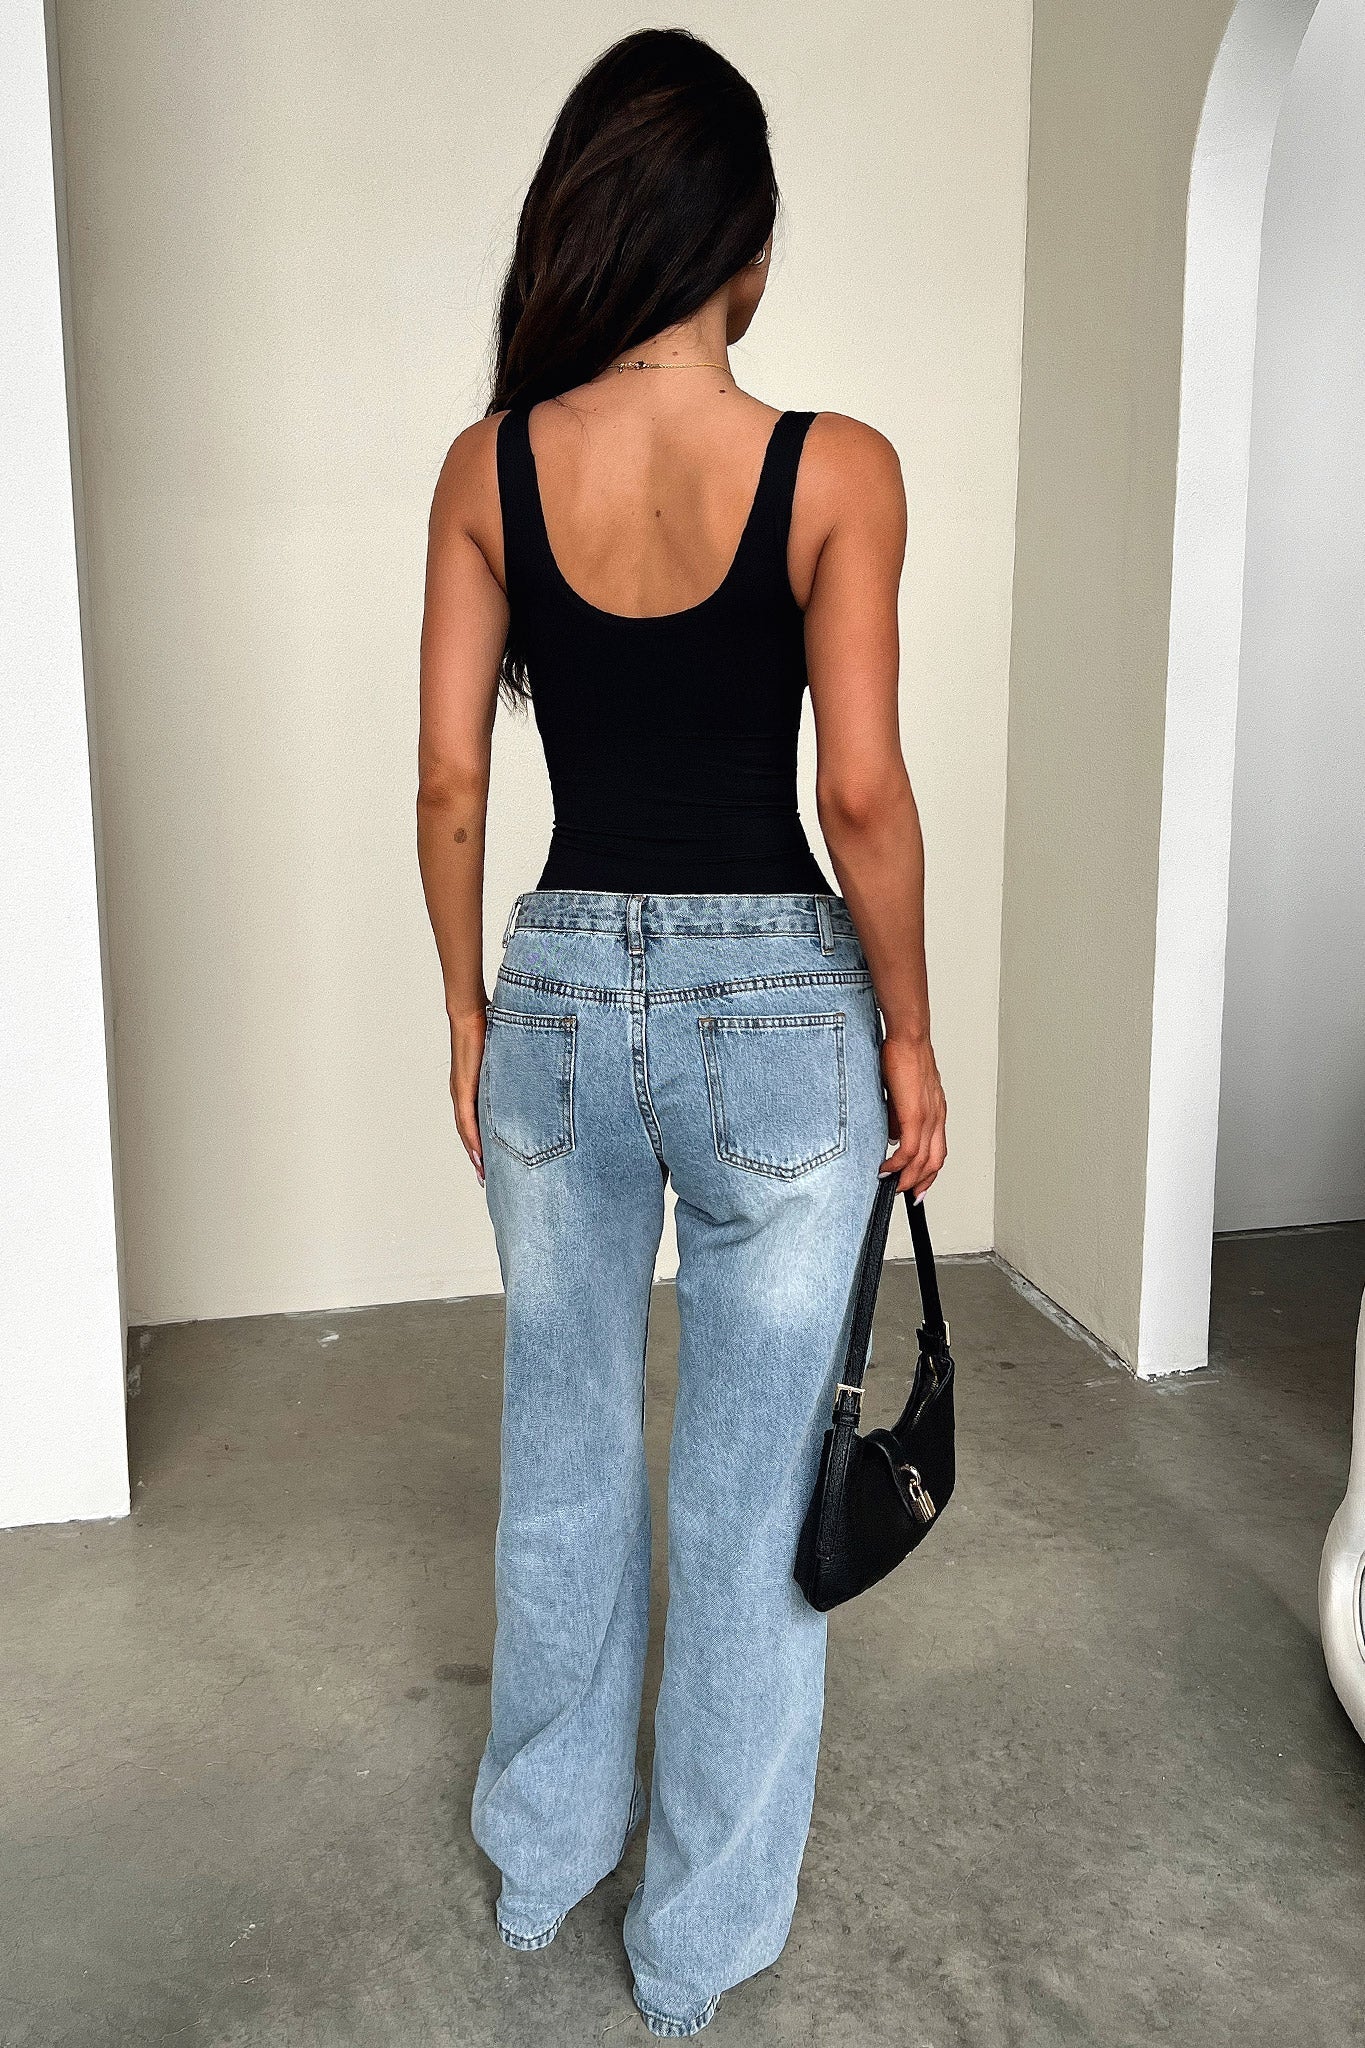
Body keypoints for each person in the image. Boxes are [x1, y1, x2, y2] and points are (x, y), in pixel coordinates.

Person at [417, 27, 947, 2038]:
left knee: (560, 1451)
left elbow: (448, 785)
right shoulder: (837, 468)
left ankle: (542, 1855)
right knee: (742, 1501)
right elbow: (861, 796)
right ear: (741, 244)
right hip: (780, 1021)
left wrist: (465, 1005)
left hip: (556, 994)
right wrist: (911, 1038)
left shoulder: (487, 468)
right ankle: (693, 1945)